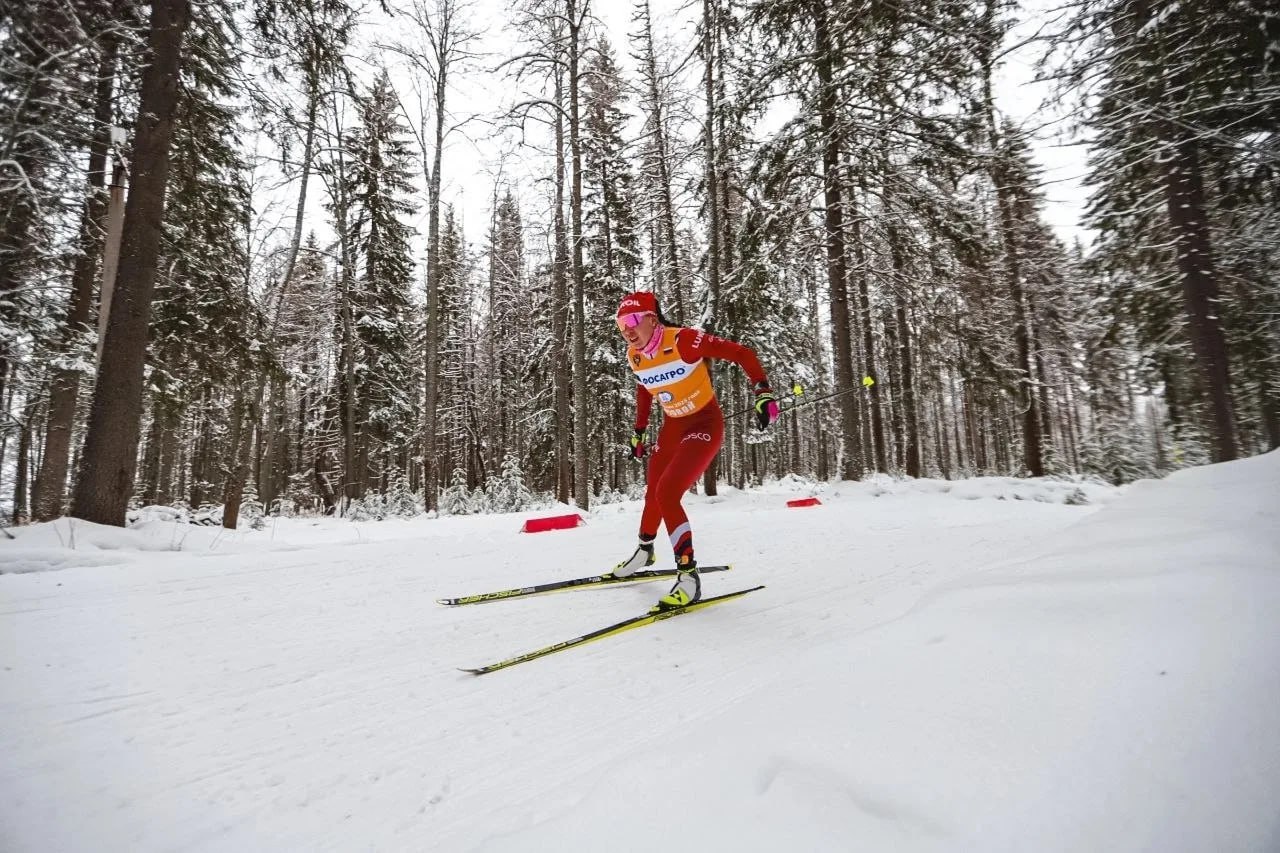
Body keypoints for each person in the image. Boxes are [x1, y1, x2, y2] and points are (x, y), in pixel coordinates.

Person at [611, 291, 779, 612]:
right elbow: (645, 388)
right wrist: (639, 431)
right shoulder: (635, 355)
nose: (627, 329)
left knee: (668, 493)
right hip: (673, 426)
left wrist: (763, 392)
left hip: (704, 422)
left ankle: (688, 578)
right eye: (621, 324)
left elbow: (742, 353)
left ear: (652, 318)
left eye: (633, 320)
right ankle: (645, 550)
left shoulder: (685, 341)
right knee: (653, 494)